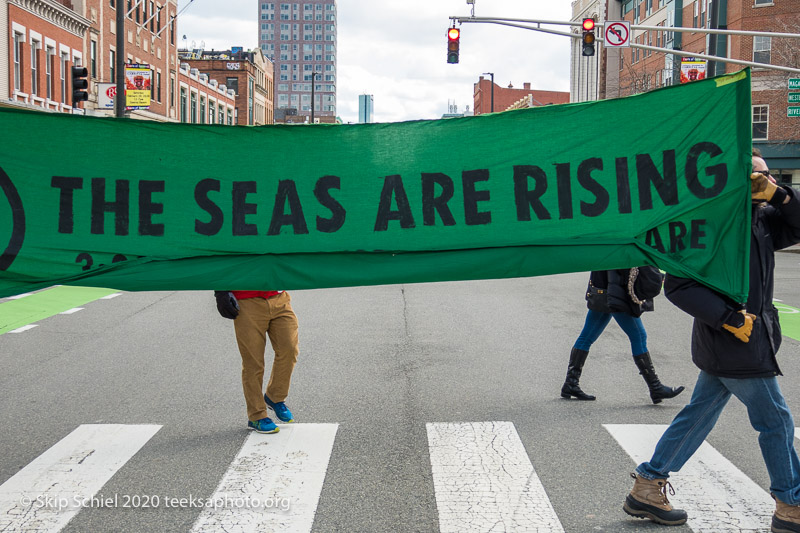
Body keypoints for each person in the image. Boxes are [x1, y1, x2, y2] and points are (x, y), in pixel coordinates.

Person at [624, 150, 800, 531]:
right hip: (735, 341)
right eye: (754, 176)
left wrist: (781, 196)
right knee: (776, 422)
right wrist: (729, 319)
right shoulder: (711, 225)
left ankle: (648, 485)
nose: (763, 182)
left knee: (698, 416)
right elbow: (679, 285)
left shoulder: (763, 219)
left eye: (767, 176)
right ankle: (791, 504)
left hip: (739, 342)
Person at [561, 268, 685, 404]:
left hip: (601, 287)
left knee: (586, 337)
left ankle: (571, 383)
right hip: (614, 291)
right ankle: (655, 387)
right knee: (639, 336)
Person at [214, 290, 299, 434]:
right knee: (253, 362)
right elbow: (219, 266)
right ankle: (256, 416)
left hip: (279, 298)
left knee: (289, 350)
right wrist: (220, 292)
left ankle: (275, 397)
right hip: (247, 301)